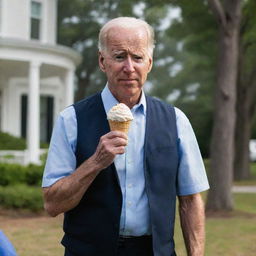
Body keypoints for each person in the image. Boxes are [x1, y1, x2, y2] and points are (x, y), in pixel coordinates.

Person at [42, 17, 209, 256]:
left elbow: (191, 200)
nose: (129, 67)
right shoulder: (72, 120)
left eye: (137, 57)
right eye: (119, 56)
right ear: (102, 61)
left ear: (149, 63)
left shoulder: (176, 121)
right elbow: (52, 204)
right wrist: (95, 162)